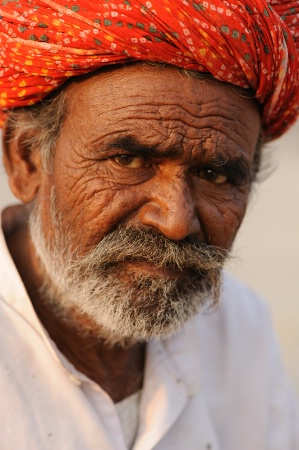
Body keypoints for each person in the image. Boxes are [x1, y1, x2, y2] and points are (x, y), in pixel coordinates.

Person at [0, 0, 298, 448]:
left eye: (215, 175)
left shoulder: (239, 330)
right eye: (129, 159)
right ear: (27, 161)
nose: (176, 222)